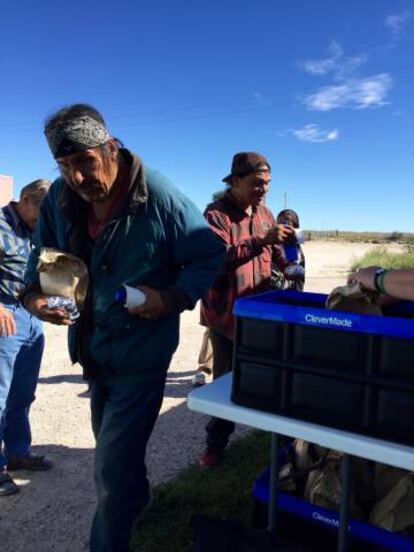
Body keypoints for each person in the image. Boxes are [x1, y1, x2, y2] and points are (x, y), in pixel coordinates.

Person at [21, 103, 225, 552]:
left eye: (85, 163)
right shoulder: (59, 197)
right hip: (93, 355)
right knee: (118, 461)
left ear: (110, 148)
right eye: (65, 166)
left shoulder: (159, 196)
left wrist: (170, 298)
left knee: (109, 471)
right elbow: (37, 270)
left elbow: (209, 253)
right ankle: (139, 503)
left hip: (142, 356)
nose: (76, 178)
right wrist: (37, 301)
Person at [199, 151, 293, 468]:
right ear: (235, 181)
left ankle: (284, 448)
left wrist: (289, 263)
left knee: (272, 381)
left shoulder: (266, 213)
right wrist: (260, 239)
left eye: (266, 183)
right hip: (226, 318)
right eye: (255, 183)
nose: (262, 189)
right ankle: (215, 447)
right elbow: (215, 259)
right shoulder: (216, 215)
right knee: (226, 386)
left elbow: (276, 251)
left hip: (261, 318)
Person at [0, 179, 52, 497]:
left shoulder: (39, 229)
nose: (45, 220)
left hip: (33, 318)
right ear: (26, 199)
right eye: (42, 212)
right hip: (4, 318)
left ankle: (18, 453)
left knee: (22, 394)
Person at [271, 208, 306, 291]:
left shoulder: (296, 250)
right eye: (280, 224)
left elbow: (298, 280)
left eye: (287, 223)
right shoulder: (272, 245)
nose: (283, 227)